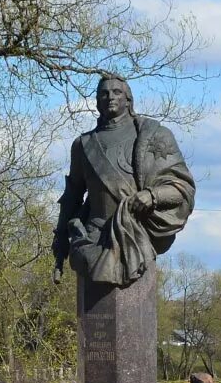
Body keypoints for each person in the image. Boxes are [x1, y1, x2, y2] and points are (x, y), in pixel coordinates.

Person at [52, 74, 195, 288]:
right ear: (97, 101)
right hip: (94, 237)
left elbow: (182, 188)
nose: (110, 97)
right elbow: (72, 196)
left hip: (137, 233)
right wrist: (61, 238)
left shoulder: (155, 136)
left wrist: (152, 196)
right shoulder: (83, 145)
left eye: (117, 92)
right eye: (104, 93)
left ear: (128, 100)